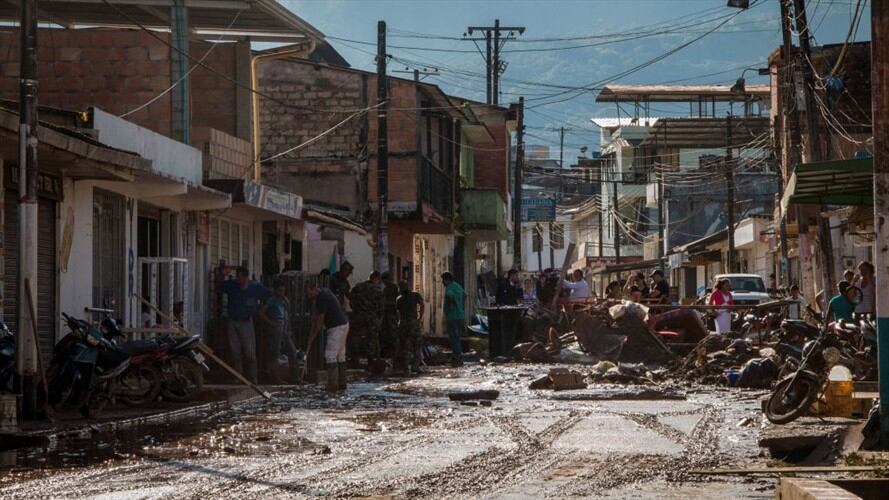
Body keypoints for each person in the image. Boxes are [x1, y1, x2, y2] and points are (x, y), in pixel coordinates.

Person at [221, 267, 271, 383]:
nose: (238, 279)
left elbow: (268, 294)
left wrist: (260, 309)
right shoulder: (232, 285)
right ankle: (238, 376)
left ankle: (253, 377)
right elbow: (220, 286)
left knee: (250, 352)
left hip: (246, 322)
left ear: (245, 277)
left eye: (240, 277)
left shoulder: (255, 287)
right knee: (235, 351)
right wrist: (223, 275)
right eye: (237, 276)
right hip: (233, 321)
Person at [306, 280, 350, 393]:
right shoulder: (325, 291)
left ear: (314, 288)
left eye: (309, 292)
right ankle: (342, 384)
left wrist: (312, 336)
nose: (308, 296)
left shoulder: (321, 298)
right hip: (343, 324)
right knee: (340, 356)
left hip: (336, 328)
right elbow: (319, 315)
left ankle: (332, 385)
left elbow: (320, 321)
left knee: (330, 355)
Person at [258, 280, 300, 384]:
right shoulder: (272, 300)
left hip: (285, 328)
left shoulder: (285, 301)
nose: (282, 293)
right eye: (280, 291)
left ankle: (295, 377)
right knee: (275, 354)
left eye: (283, 291)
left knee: (292, 351)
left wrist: (289, 328)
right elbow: (261, 312)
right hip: (276, 329)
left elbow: (287, 315)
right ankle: (276, 378)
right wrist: (271, 322)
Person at [349, 271, 384, 373]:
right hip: (371, 317)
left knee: (355, 336)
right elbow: (381, 307)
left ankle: (354, 359)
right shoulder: (377, 290)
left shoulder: (358, 287)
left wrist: (356, 309)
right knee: (372, 338)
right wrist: (380, 319)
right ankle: (370, 361)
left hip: (358, 315)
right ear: (376, 279)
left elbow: (351, 300)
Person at [396, 280, 425, 374]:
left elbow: (398, 310)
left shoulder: (399, 299)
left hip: (403, 323)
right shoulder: (416, 295)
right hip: (413, 322)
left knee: (404, 346)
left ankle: (405, 367)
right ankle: (415, 366)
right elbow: (421, 305)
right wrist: (419, 316)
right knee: (417, 344)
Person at [441, 272, 465, 367]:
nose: (443, 282)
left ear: (447, 280)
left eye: (443, 280)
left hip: (452, 316)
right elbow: (465, 295)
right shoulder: (457, 286)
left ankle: (457, 358)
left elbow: (450, 297)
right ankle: (458, 358)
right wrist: (460, 306)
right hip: (460, 315)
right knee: (457, 336)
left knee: (453, 337)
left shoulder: (449, 287)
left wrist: (451, 307)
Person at [381, 271, 400, 360]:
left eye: (385, 281)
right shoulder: (385, 289)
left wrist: (386, 303)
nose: (385, 283)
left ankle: (395, 353)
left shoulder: (394, 288)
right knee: (386, 334)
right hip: (386, 314)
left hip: (392, 314)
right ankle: (389, 353)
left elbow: (397, 302)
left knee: (393, 335)